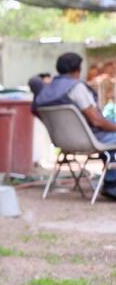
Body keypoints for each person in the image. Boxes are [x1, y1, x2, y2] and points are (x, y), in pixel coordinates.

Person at [34, 52, 116, 199]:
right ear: (78, 70)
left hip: (62, 142)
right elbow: (96, 121)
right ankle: (112, 184)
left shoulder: (46, 91)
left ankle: (110, 181)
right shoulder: (76, 87)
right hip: (89, 139)